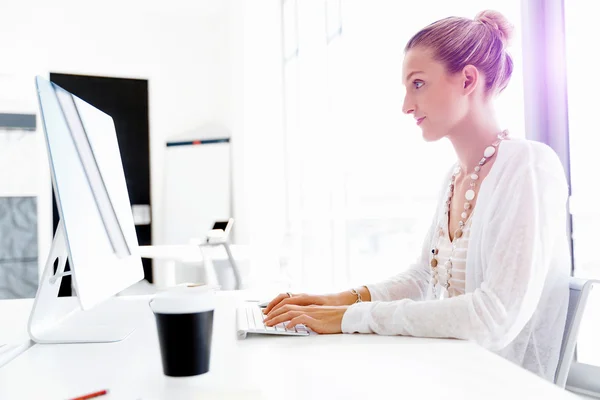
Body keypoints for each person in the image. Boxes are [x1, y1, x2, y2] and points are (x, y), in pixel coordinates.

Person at [262, 9, 570, 382]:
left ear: (468, 79)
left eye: (418, 84)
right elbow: (424, 278)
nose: (406, 105)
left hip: (501, 384)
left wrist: (351, 318)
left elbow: (494, 316)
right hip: (451, 371)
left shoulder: (529, 167)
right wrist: (338, 300)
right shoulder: (455, 177)